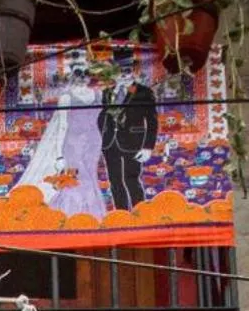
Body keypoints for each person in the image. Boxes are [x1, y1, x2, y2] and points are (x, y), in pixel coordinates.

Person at [14, 50, 106, 219]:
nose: (83, 77)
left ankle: (92, 214)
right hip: (71, 142)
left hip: (92, 141)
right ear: (72, 73)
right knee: (73, 177)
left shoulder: (98, 95)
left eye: (86, 73)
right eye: (79, 73)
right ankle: (71, 214)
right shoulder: (66, 97)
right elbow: (62, 126)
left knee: (90, 175)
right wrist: (58, 155)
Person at [100, 53, 158, 213]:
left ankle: (141, 214)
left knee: (131, 179)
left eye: (127, 70)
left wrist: (148, 147)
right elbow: (102, 116)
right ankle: (122, 214)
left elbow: (152, 121)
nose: (124, 74)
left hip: (133, 143)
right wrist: (101, 138)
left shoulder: (143, 92)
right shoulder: (107, 92)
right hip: (110, 143)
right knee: (115, 181)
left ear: (133, 71)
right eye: (120, 70)